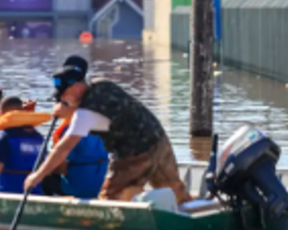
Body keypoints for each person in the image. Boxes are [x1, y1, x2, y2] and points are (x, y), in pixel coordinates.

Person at [23, 55, 193, 204]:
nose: (62, 99)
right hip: (158, 138)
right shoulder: (103, 83)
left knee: (110, 197)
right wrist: (70, 109)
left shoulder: (84, 115)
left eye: (63, 95)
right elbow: (103, 111)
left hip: (135, 151)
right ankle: (190, 211)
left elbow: (63, 149)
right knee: (174, 189)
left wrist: (37, 176)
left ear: (77, 88)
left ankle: (120, 224)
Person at [41, 117, 109, 199]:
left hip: (77, 188)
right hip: (101, 188)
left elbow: (62, 168)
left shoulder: (71, 129)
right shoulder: (105, 127)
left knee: (44, 177)